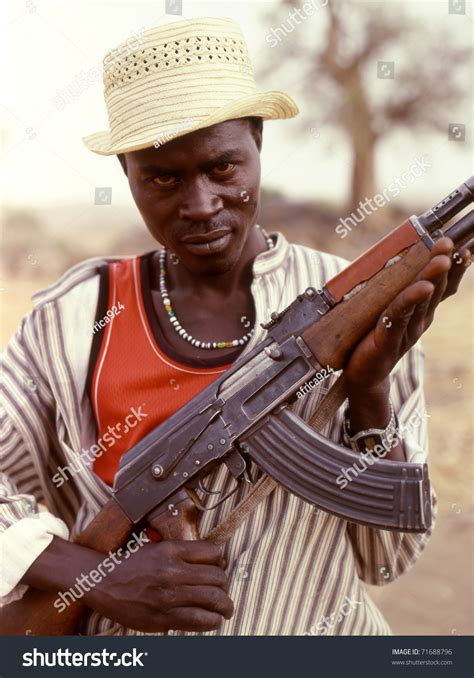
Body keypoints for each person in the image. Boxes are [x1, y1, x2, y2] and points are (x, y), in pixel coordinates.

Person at [0, 17, 470, 636]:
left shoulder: (366, 303)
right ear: (126, 175)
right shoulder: (71, 319)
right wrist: (98, 578)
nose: (199, 205)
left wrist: (369, 388)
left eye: (222, 168)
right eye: (163, 178)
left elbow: (388, 559)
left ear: (258, 142)